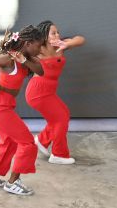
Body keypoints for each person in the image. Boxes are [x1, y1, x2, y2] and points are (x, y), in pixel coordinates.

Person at [0, 26, 45, 195]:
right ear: (28, 43)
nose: (41, 49)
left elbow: (40, 71)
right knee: (27, 142)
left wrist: (24, 61)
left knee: (9, 140)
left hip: (2, 105)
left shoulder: (26, 60)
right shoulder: (8, 59)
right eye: (39, 45)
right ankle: (12, 182)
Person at [26, 19, 86, 165]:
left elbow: (80, 39)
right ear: (44, 36)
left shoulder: (61, 46)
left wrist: (67, 43)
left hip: (49, 91)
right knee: (60, 119)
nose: (57, 35)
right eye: (53, 33)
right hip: (37, 92)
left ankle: (41, 141)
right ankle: (58, 154)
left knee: (63, 114)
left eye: (58, 32)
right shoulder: (38, 50)